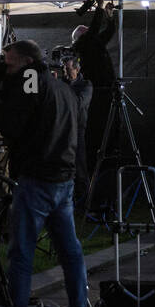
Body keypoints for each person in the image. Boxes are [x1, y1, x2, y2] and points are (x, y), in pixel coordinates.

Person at [0, 40, 88, 307]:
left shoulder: (31, 82)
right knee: (70, 251)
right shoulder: (61, 88)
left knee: (21, 253)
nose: (6, 70)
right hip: (63, 179)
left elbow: (13, 126)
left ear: (26, 62)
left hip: (37, 179)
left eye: (9, 64)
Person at [72, 0, 118, 196]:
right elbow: (94, 33)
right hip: (97, 94)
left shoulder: (93, 43)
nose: (90, 32)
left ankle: (105, 174)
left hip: (107, 92)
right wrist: (99, 9)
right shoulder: (82, 45)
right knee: (96, 133)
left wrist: (110, 16)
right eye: (86, 31)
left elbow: (108, 32)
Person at [62, 54, 93, 205]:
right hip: (62, 129)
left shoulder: (86, 85)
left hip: (78, 129)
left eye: (68, 69)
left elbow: (78, 104)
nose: (65, 73)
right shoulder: (62, 83)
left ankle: (86, 200)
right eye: (64, 69)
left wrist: (62, 91)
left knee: (80, 165)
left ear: (76, 69)